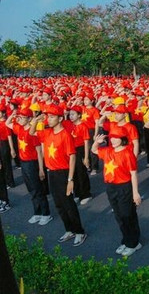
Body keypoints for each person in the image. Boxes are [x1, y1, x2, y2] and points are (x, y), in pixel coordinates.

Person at [36, 105, 87, 246]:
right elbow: (33, 132)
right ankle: (69, 229)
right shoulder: (47, 133)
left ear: (60, 118)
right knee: (59, 204)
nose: (49, 119)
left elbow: (72, 157)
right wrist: (37, 119)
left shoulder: (66, 135)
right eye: (48, 116)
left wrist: (70, 179)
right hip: (51, 173)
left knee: (69, 204)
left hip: (63, 174)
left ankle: (79, 232)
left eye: (52, 117)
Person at [92, 132, 142, 256]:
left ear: (123, 139)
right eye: (111, 138)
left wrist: (135, 193)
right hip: (111, 187)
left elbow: (133, 174)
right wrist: (97, 142)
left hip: (124, 187)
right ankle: (126, 240)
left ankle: (133, 243)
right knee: (119, 216)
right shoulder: (108, 151)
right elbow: (94, 150)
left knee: (127, 215)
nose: (113, 140)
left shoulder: (127, 153)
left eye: (116, 138)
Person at [8, 109, 51, 224]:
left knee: (38, 189)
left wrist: (41, 169)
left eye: (22, 117)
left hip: (33, 163)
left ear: (29, 119)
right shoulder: (19, 129)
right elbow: (7, 123)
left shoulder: (33, 133)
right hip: (24, 163)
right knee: (31, 189)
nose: (19, 119)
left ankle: (46, 214)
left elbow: (39, 152)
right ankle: (37, 213)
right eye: (19, 117)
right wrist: (12, 115)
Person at [66, 106, 92, 205]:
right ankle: (77, 193)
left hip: (80, 150)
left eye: (73, 114)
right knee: (74, 173)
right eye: (70, 114)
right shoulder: (70, 125)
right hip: (71, 151)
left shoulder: (83, 126)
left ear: (79, 115)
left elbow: (86, 142)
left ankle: (86, 194)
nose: (71, 116)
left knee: (81, 173)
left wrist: (86, 157)